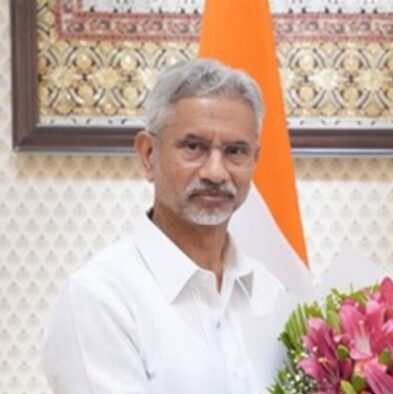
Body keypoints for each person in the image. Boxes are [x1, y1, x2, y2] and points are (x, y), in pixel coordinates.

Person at [42, 59, 293, 393]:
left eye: (235, 151)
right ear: (148, 155)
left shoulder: (270, 293)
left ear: (254, 160)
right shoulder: (100, 298)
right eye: (194, 147)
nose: (215, 173)